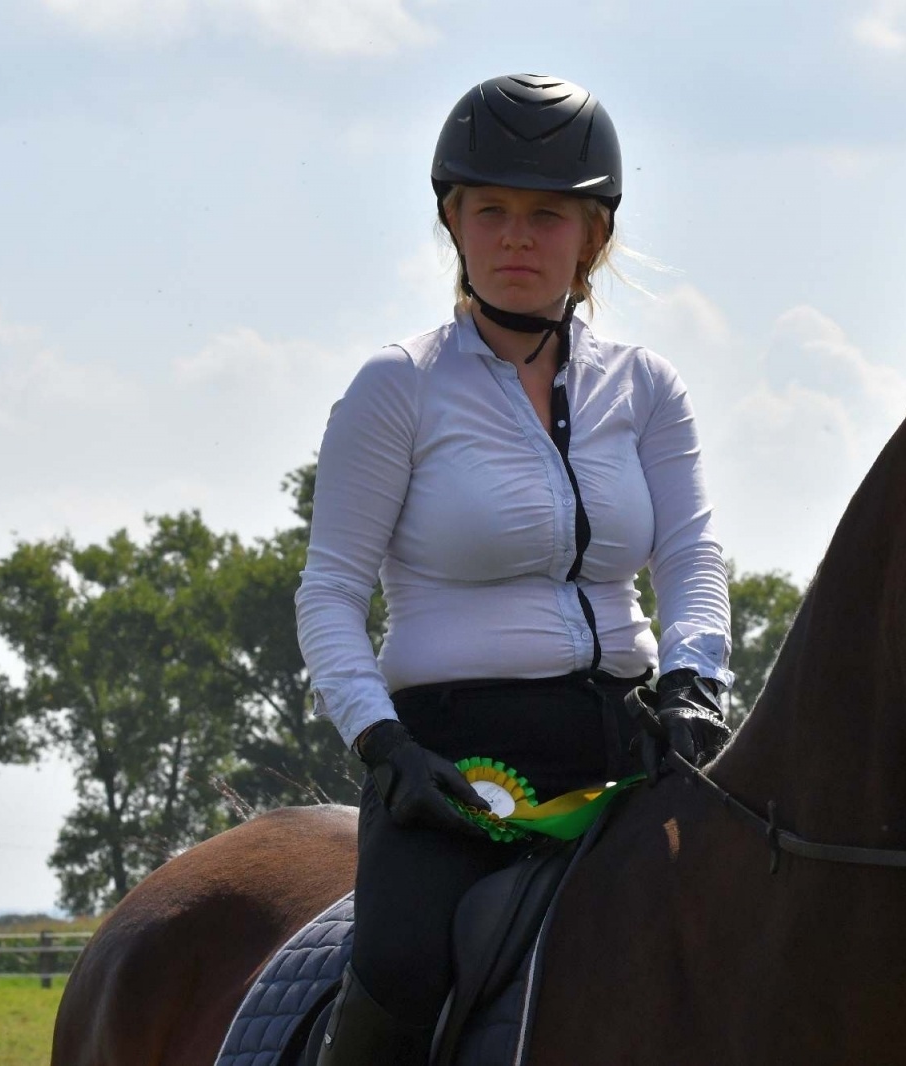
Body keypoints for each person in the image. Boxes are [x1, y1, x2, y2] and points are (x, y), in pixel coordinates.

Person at [294, 73, 734, 1066]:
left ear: (594, 235)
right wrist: (383, 743)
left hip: (630, 741)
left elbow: (692, 552)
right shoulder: (395, 387)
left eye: (546, 214)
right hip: (449, 766)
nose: (517, 237)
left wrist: (696, 682)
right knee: (402, 966)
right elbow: (328, 593)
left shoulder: (648, 387)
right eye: (490, 211)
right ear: (453, 221)